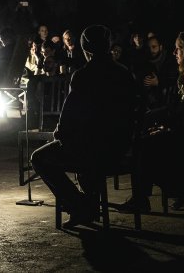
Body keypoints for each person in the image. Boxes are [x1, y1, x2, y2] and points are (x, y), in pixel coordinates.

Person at [31, 25, 136, 227]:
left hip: (92, 150)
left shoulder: (83, 76)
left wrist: (60, 134)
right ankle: (87, 203)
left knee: (40, 158)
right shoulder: (124, 74)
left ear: (86, 50)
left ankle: (80, 205)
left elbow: (69, 118)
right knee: (83, 145)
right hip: (121, 148)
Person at [118, 31, 184, 213]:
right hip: (182, 128)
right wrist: (151, 118)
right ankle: (142, 196)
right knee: (144, 135)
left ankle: (142, 198)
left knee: (147, 144)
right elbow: (173, 108)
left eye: (179, 49)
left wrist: (166, 128)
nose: (175, 53)